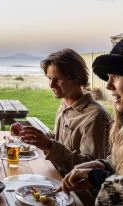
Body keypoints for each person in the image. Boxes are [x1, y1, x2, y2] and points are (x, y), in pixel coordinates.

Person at [11, 48, 112, 176]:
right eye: (49, 78)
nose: (51, 85)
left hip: (76, 193)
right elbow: (60, 142)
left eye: (58, 79)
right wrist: (33, 137)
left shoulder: (95, 117)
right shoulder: (64, 105)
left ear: (77, 77)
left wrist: (48, 145)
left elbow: (92, 169)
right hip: (55, 176)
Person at [61, 40, 123, 205]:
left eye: (115, 76)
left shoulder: (95, 115)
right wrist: (104, 165)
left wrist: (96, 176)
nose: (108, 85)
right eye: (108, 77)